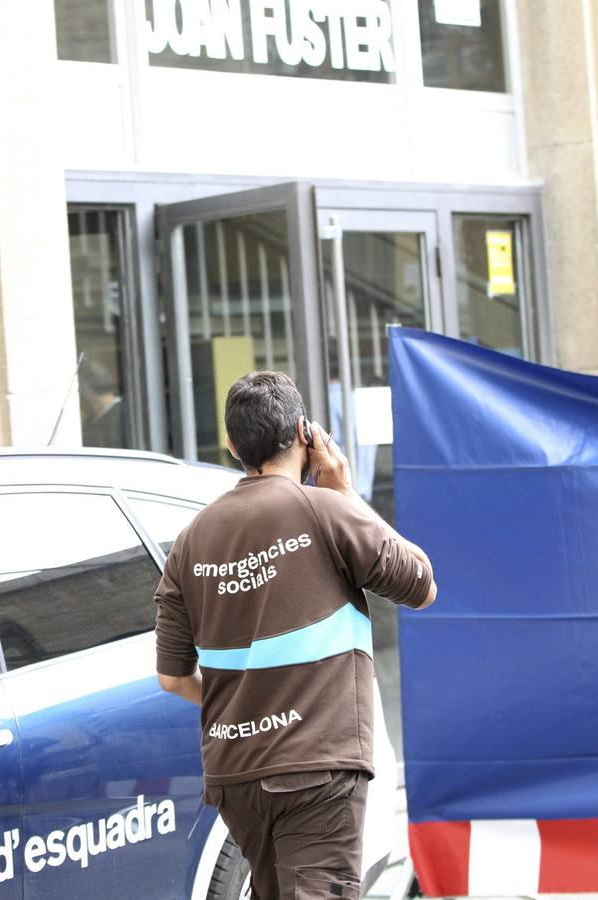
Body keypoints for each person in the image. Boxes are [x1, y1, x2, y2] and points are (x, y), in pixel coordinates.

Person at [154, 370, 437, 900]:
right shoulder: (327, 511)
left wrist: (244, 702)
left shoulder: (190, 541)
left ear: (233, 446)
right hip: (317, 768)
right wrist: (346, 493)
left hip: (236, 772)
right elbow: (420, 585)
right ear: (304, 435)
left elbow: (172, 677)